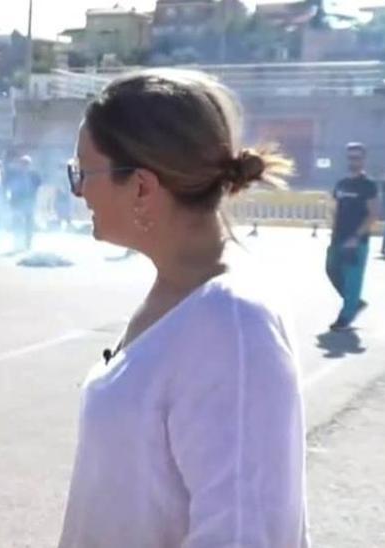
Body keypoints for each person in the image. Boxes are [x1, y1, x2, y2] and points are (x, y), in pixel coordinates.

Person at [59, 69, 307, 547]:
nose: (79, 192)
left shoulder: (232, 324)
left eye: (82, 173)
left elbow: (241, 536)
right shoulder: (181, 292)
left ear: (142, 187)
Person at [326, 143, 380, 331]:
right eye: (350, 157)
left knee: (352, 280)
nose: (353, 161)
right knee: (331, 270)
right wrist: (332, 230)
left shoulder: (368, 185)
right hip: (338, 237)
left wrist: (356, 237)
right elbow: (335, 208)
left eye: (356, 158)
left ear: (363, 160)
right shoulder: (341, 183)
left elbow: (373, 213)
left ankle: (345, 317)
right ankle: (355, 302)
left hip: (356, 240)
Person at [5, 155, 42, 252]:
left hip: (30, 202)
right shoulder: (14, 174)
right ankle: (17, 243)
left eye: (26, 164)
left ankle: (28, 243)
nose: (24, 166)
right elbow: (9, 186)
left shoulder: (34, 175)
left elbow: (39, 185)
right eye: (22, 163)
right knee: (17, 223)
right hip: (17, 202)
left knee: (29, 224)